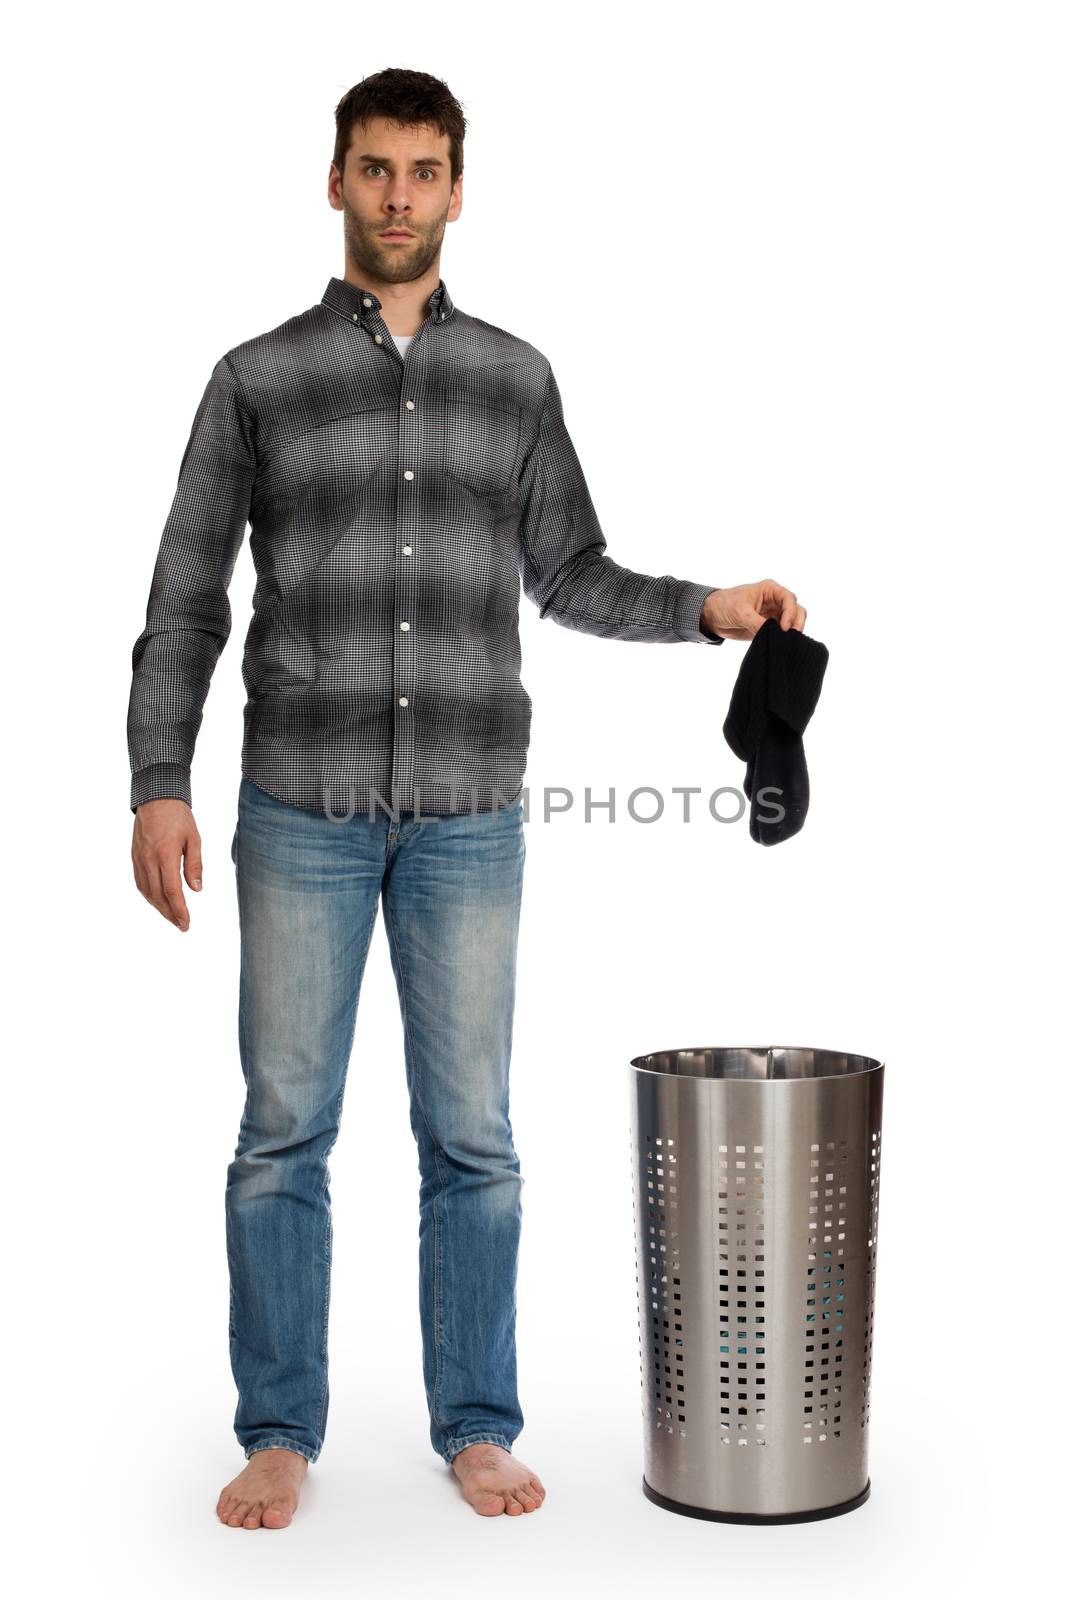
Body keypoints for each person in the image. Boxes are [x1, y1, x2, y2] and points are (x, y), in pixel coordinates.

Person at [127, 66, 807, 1532]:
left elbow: (570, 574)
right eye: (373, 169)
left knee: (473, 1138)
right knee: (281, 1132)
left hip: (467, 817)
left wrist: (709, 610)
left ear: (455, 187)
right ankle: (279, 1433)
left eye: (422, 171)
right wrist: (155, 782)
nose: (396, 196)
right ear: (333, 183)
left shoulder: (515, 378)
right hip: (296, 808)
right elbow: (186, 594)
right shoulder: (256, 378)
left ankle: (477, 1426)